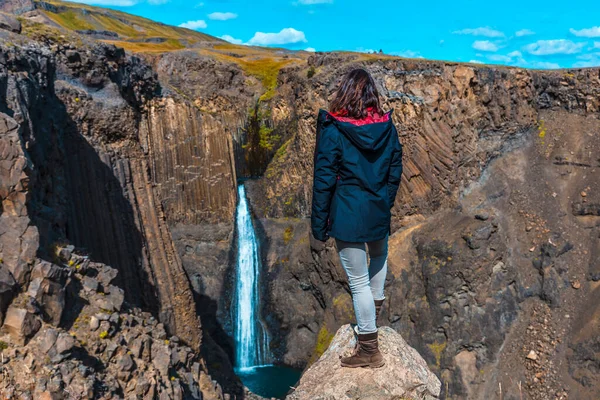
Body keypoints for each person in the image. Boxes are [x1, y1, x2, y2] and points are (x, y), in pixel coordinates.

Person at [311, 68, 403, 368]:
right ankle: (372, 317)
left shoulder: (335, 129)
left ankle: (368, 350)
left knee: (358, 282)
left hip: (348, 213)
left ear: (345, 92)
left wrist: (319, 224)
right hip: (376, 209)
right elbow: (395, 168)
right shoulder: (387, 127)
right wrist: (384, 201)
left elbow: (323, 179)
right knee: (378, 256)